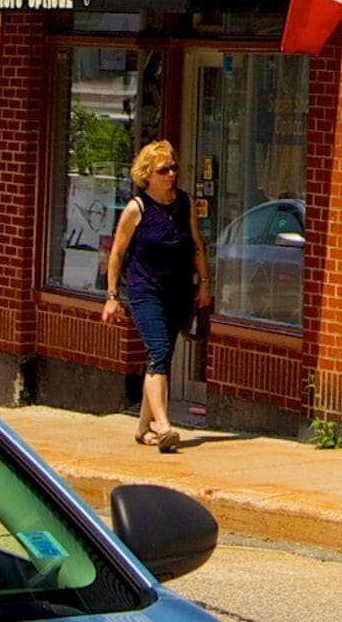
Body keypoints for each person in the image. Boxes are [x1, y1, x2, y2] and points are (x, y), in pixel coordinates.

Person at [103, 139, 204, 450]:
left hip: (178, 290)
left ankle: (143, 427)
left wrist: (205, 283)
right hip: (145, 291)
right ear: (147, 175)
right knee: (158, 352)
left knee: (161, 358)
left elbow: (197, 245)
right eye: (164, 170)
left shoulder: (184, 203)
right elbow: (117, 253)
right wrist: (111, 295)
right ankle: (163, 427)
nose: (171, 174)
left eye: (174, 168)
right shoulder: (137, 209)